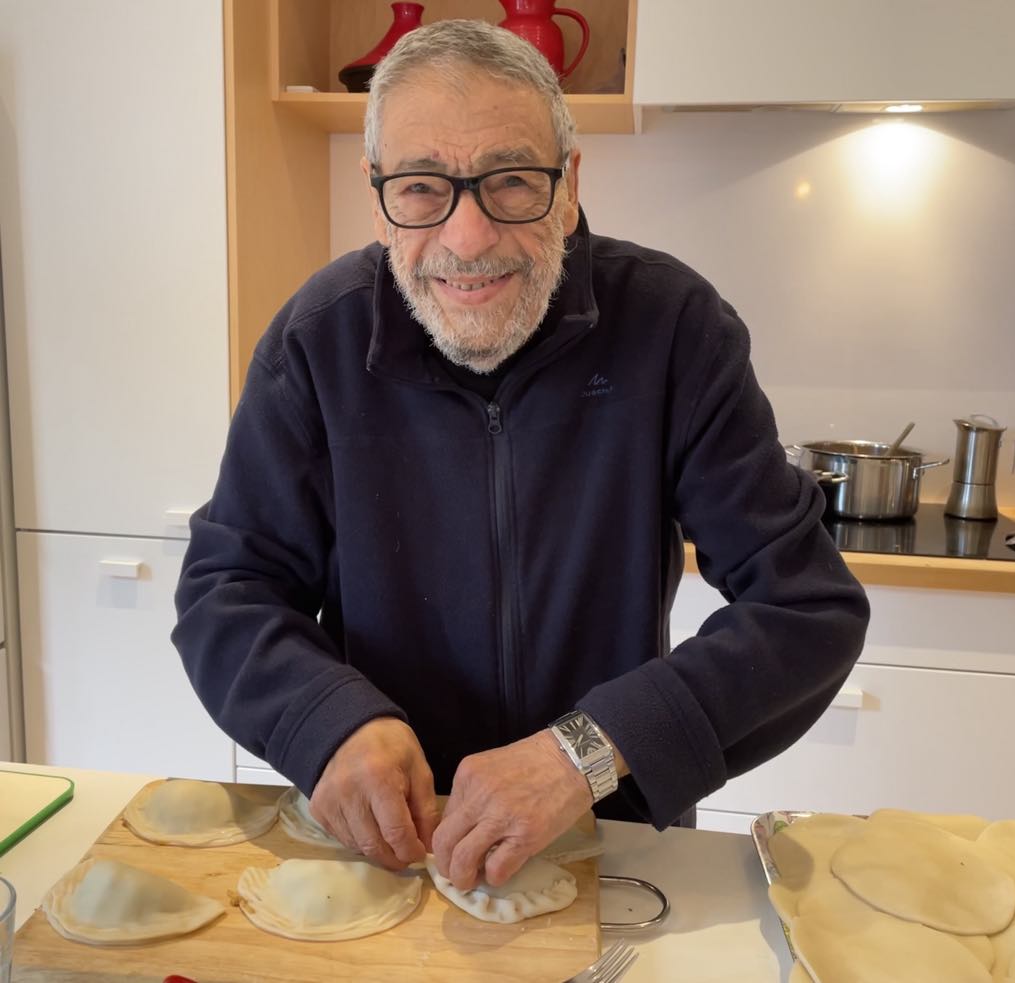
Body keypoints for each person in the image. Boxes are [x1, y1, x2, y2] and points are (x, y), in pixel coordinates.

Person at [172, 19, 869, 894]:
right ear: (379, 196)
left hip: (610, 842)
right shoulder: (317, 341)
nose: (467, 238)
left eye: (510, 181)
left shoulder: (673, 329)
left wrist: (586, 751)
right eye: (422, 188)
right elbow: (228, 589)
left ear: (569, 186)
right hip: (387, 847)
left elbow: (806, 609)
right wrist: (327, 722)